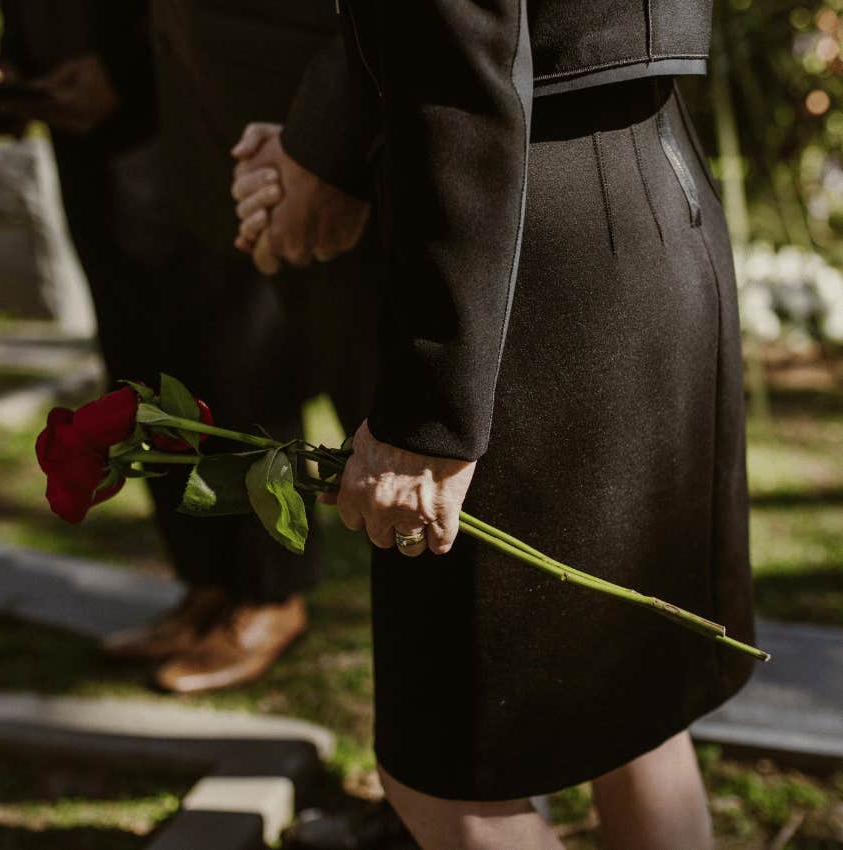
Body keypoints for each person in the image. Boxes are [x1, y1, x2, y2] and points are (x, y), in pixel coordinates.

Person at [234, 1, 758, 848]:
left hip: (531, 252)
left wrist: (427, 419)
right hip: (647, 182)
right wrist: (314, 146)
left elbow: (460, 68)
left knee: (447, 778)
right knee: (636, 716)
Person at [0, 0, 375, 694]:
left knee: (237, 354)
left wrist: (123, 67)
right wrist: (22, 67)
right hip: (83, 123)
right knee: (140, 358)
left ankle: (268, 592)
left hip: (185, 105)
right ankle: (205, 582)